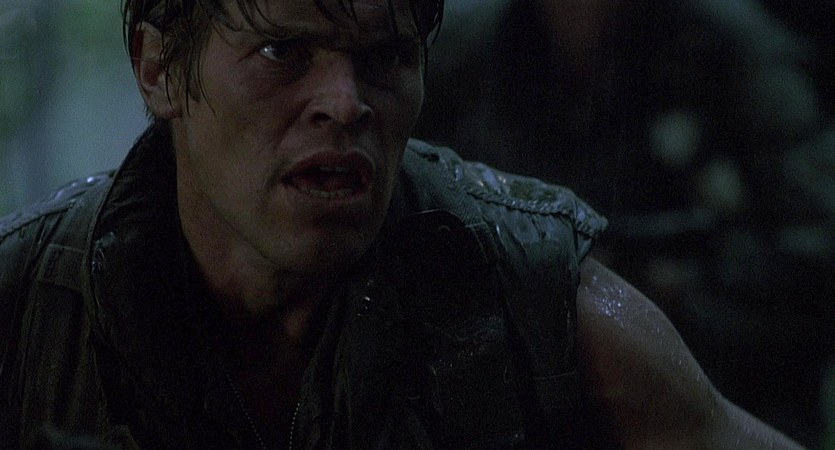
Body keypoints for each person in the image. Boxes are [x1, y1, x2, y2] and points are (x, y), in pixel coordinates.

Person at [0, 0, 807, 448]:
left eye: (383, 58)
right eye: (283, 52)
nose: (345, 102)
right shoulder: (27, 305)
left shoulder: (546, 306)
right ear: (157, 68)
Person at [414, 0, 835, 445]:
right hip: (533, 406)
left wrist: (681, 296)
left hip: (727, 390)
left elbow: (815, 248)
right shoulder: (470, 51)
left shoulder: (728, 51)